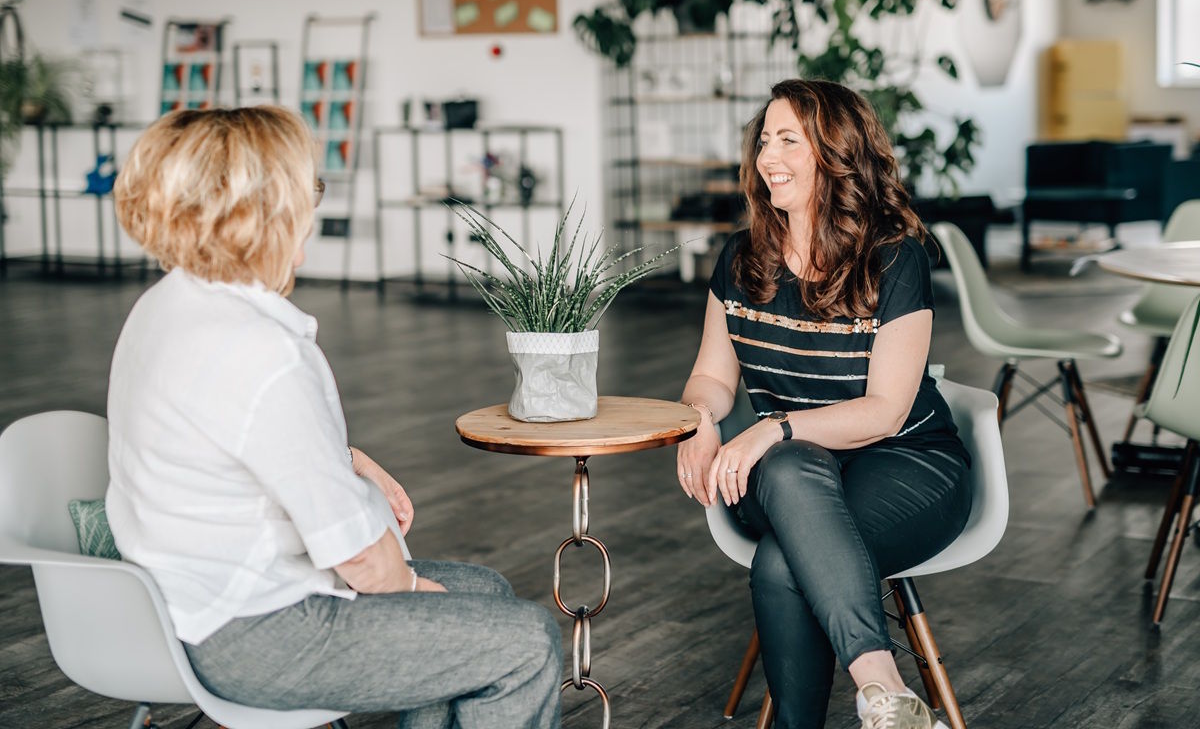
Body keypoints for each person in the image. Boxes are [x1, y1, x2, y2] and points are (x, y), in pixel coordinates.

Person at [105, 107, 562, 729]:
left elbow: (224, 444)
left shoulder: (164, 307)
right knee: (526, 641)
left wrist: (343, 462)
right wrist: (408, 588)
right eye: (306, 192)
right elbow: (366, 565)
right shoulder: (263, 351)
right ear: (265, 212)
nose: (311, 214)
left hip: (184, 603)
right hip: (254, 633)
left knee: (483, 595)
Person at [676, 80, 972, 729]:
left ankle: (853, 702)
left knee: (784, 562)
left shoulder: (894, 257)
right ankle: (884, 691)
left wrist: (771, 429)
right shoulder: (741, 258)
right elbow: (711, 376)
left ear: (836, 154)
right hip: (792, 474)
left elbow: (887, 411)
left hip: (909, 465)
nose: (767, 157)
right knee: (787, 465)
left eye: (789, 140)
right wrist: (698, 420)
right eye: (763, 141)